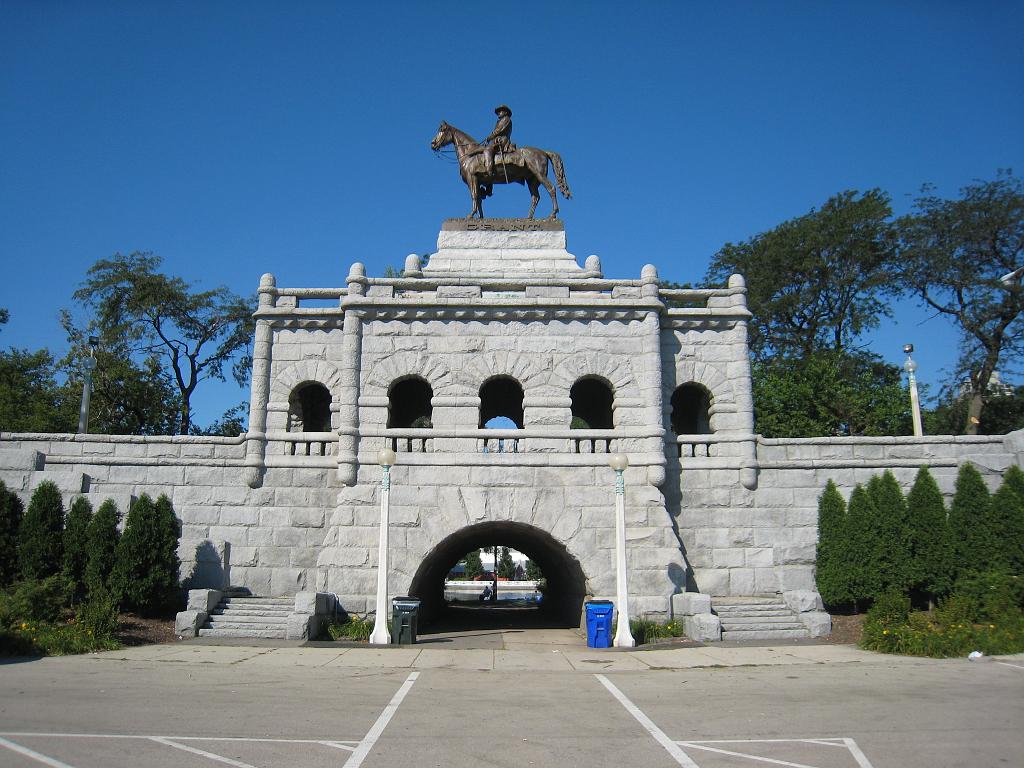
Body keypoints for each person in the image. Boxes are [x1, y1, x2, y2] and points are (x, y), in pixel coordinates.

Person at [483, 105, 513, 177]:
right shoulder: (500, 120)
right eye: (498, 112)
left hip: (502, 140)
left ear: (505, 112)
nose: (499, 113)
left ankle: (489, 170)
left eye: (500, 111)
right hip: (497, 140)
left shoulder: (506, 119)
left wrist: (489, 138)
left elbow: (498, 131)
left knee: (488, 150)